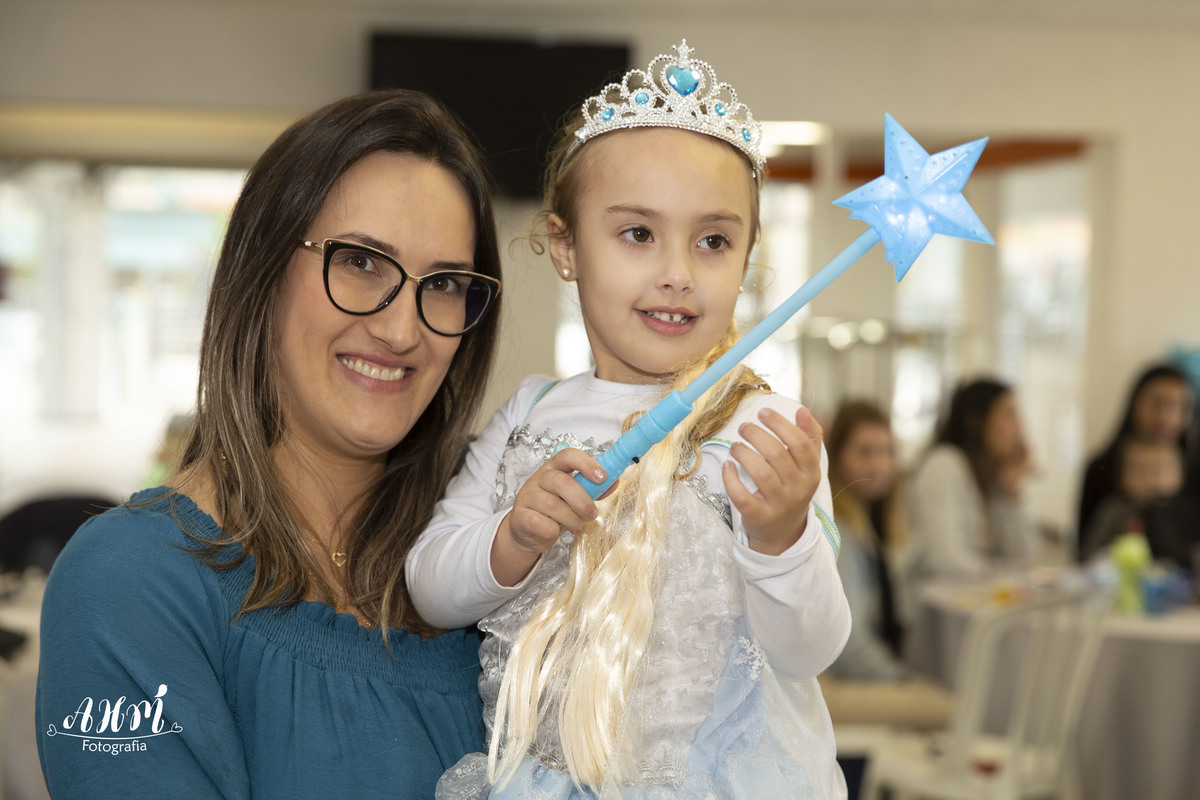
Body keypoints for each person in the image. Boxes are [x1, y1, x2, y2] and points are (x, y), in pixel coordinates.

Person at [407, 41, 851, 800]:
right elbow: (429, 587)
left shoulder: (766, 429)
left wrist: (782, 539)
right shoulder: (530, 412)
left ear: (747, 259)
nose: (678, 272)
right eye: (639, 234)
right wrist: (513, 538)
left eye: (713, 241)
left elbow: (809, 651)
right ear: (565, 247)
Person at [36, 89, 504, 798]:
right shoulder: (129, 582)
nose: (402, 330)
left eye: (442, 283)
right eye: (360, 262)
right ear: (261, 273)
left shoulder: (495, 544)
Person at [905, 378, 1040, 583]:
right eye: (1009, 415)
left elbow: (1024, 556)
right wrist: (1004, 575)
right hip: (935, 598)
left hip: (975, 595)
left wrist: (1011, 492)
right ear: (977, 421)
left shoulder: (992, 474)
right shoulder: (943, 465)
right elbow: (945, 560)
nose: (1019, 427)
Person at [1076, 363, 1194, 558]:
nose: (1165, 417)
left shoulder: (1194, 470)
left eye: (1176, 406)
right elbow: (1085, 551)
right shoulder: (1101, 469)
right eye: (1156, 403)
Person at [1079, 434, 1200, 568]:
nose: (1151, 479)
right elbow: (1088, 555)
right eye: (1140, 471)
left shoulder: (1187, 513)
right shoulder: (1114, 510)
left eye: (1162, 470)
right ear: (1121, 476)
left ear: (1182, 476)